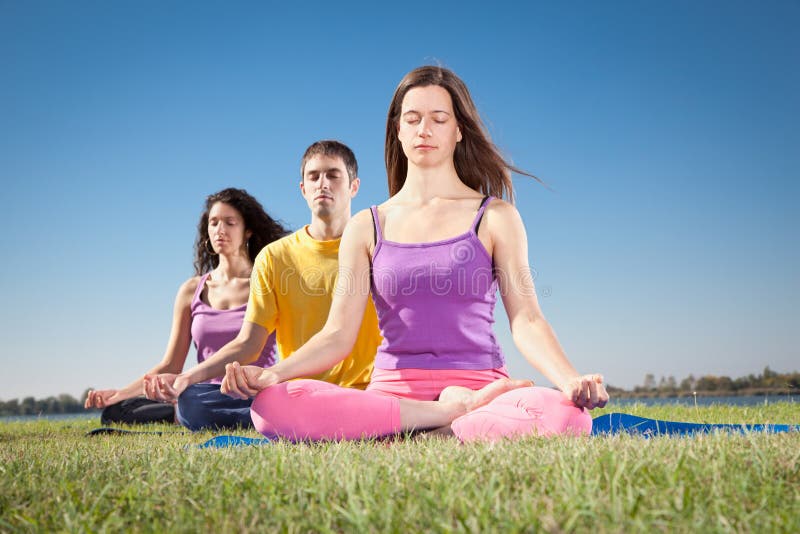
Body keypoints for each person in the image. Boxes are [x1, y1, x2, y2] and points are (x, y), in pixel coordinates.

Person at [221, 66, 609, 442]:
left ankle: (424, 432)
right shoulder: (367, 225)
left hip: (481, 386)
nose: (424, 129)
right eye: (413, 119)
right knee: (271, 406)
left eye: (439, 118)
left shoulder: (495, 217)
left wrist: (569, 379)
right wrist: (274, 375)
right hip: (393, 394)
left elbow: (526, 319)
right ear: (398, 129)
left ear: (459, 130)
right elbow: (338, 335)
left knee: (567, 416)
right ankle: (443, 419)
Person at [142, 141, 382, 413]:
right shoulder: (274, 257)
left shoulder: (377, 247)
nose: (322, 184)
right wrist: (189, 376)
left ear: (354, 186)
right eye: (313, 176)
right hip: (298, 391)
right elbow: (249, 343)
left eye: (333, 175)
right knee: (193, 402)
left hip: (368, 389)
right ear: (303, 189)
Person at [85, 188, 287, 430]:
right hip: (203, 392)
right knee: (120, 411)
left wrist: (185, 382)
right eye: (213, 223)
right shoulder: (191, 290)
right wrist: (120, 394)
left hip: (252, 389)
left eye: (230, 223)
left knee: (197, 401)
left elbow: (250, 348)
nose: (219, 230)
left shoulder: (264, 282)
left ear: (248, 231)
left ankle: (208, 415)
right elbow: (171, 364)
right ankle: (202, 414)